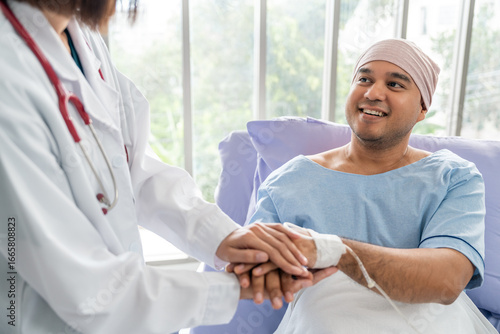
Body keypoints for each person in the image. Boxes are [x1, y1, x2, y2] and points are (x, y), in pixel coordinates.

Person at [0, 0, 337, 333]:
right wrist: (237, 289)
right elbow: (86, 292)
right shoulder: (8, 78)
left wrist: (228, 238)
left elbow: (131, 165)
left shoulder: (82, 37)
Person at [237, 39, 498, 333]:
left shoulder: (454, 178)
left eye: (395, 84)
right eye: (364, 79)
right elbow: (251, 271)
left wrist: (332, 251)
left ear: (422, 108)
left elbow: (447, 281)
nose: (373, 93)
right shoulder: (288, 182)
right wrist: (262, 268)